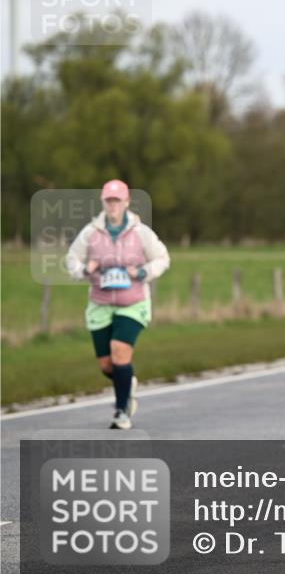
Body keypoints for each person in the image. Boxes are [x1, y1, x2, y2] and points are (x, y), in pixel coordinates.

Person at [65, 180, 170, 430]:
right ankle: (127, 383)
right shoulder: (91, 232)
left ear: (126, 202)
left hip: (132, 302)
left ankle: (121, 411)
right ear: (103, 202)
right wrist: (83, 270)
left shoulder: (140, 232)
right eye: (108, 200)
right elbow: (71, 259)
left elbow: (163, 258)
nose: (112, 205)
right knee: (106, 364)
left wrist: (143, 272)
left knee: (119, 350)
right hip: (100, 302)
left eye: (117, 200)